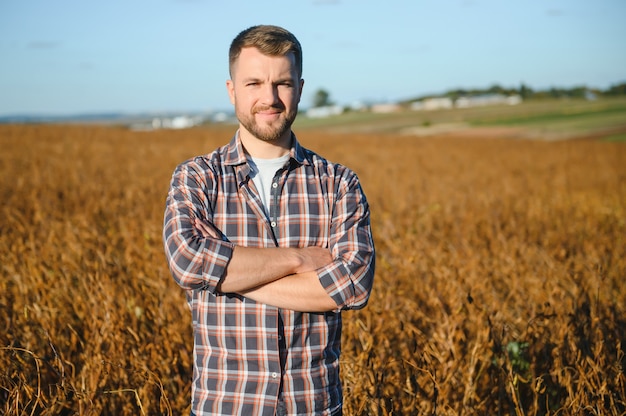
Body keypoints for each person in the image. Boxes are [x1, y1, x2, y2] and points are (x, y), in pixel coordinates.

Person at [163, 24, 375, 416]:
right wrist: (298, 260)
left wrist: (224, 278)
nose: (269, 97)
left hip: (313, 407)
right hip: (224, 407)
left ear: (300, 87)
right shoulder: (197, 178)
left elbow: (352, 285)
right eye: (254, 83)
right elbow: (188, 262)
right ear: (231, 90)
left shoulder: (339, 183)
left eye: (282, 83)